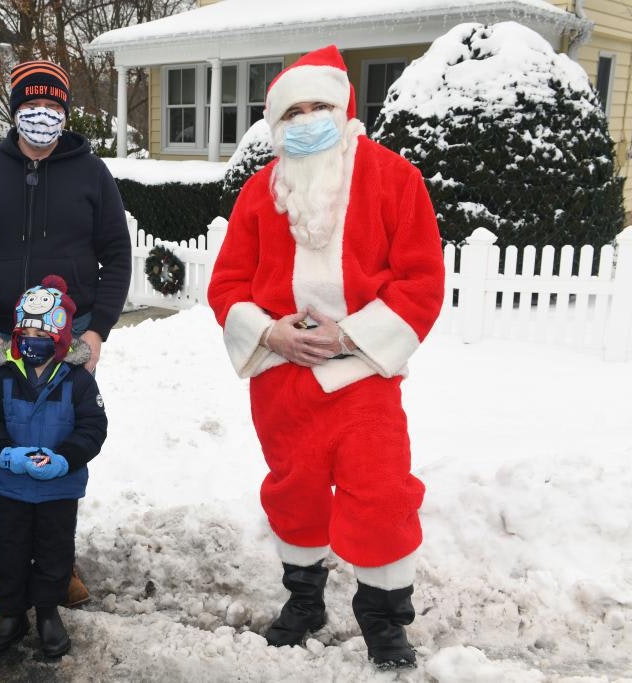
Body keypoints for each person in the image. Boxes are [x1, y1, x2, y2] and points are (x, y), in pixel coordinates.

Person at [207, 46, 445, 669]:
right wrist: (272, 334)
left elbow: (420, 281)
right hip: (283, 379)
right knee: (295, 493)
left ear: (344, 110)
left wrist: (348, 337)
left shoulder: (395, 178)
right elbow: (227, 285)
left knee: (382, 493)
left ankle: (384, 621)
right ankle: (304, 602)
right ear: (276, 126)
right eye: (294, 112)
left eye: (320, 107)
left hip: (363, 376)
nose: (308, 120)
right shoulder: (260, 192)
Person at [0, 59, 130, 606]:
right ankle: (5, 566)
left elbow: (117, 255)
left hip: (67, 330)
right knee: (1, 440)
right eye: (32, 107)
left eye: (53, 107)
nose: (42, 117)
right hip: (4, 333)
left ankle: (57, 566)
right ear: (15, 111)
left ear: (66, 113)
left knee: (58, 440)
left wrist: (98, 329)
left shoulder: (91, 172)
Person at [0, 275, 107, 658]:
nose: (32, 338)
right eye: (26, 329)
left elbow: (93, 427)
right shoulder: (4, 376)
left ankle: (48, 612)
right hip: (13, 487)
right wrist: (3, 453)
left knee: (54, 552)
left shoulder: (78, 380)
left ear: (61, 337)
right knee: (11, 550)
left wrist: (65, 458)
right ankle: (11, 614)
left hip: (58, 489)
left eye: (41, 331)